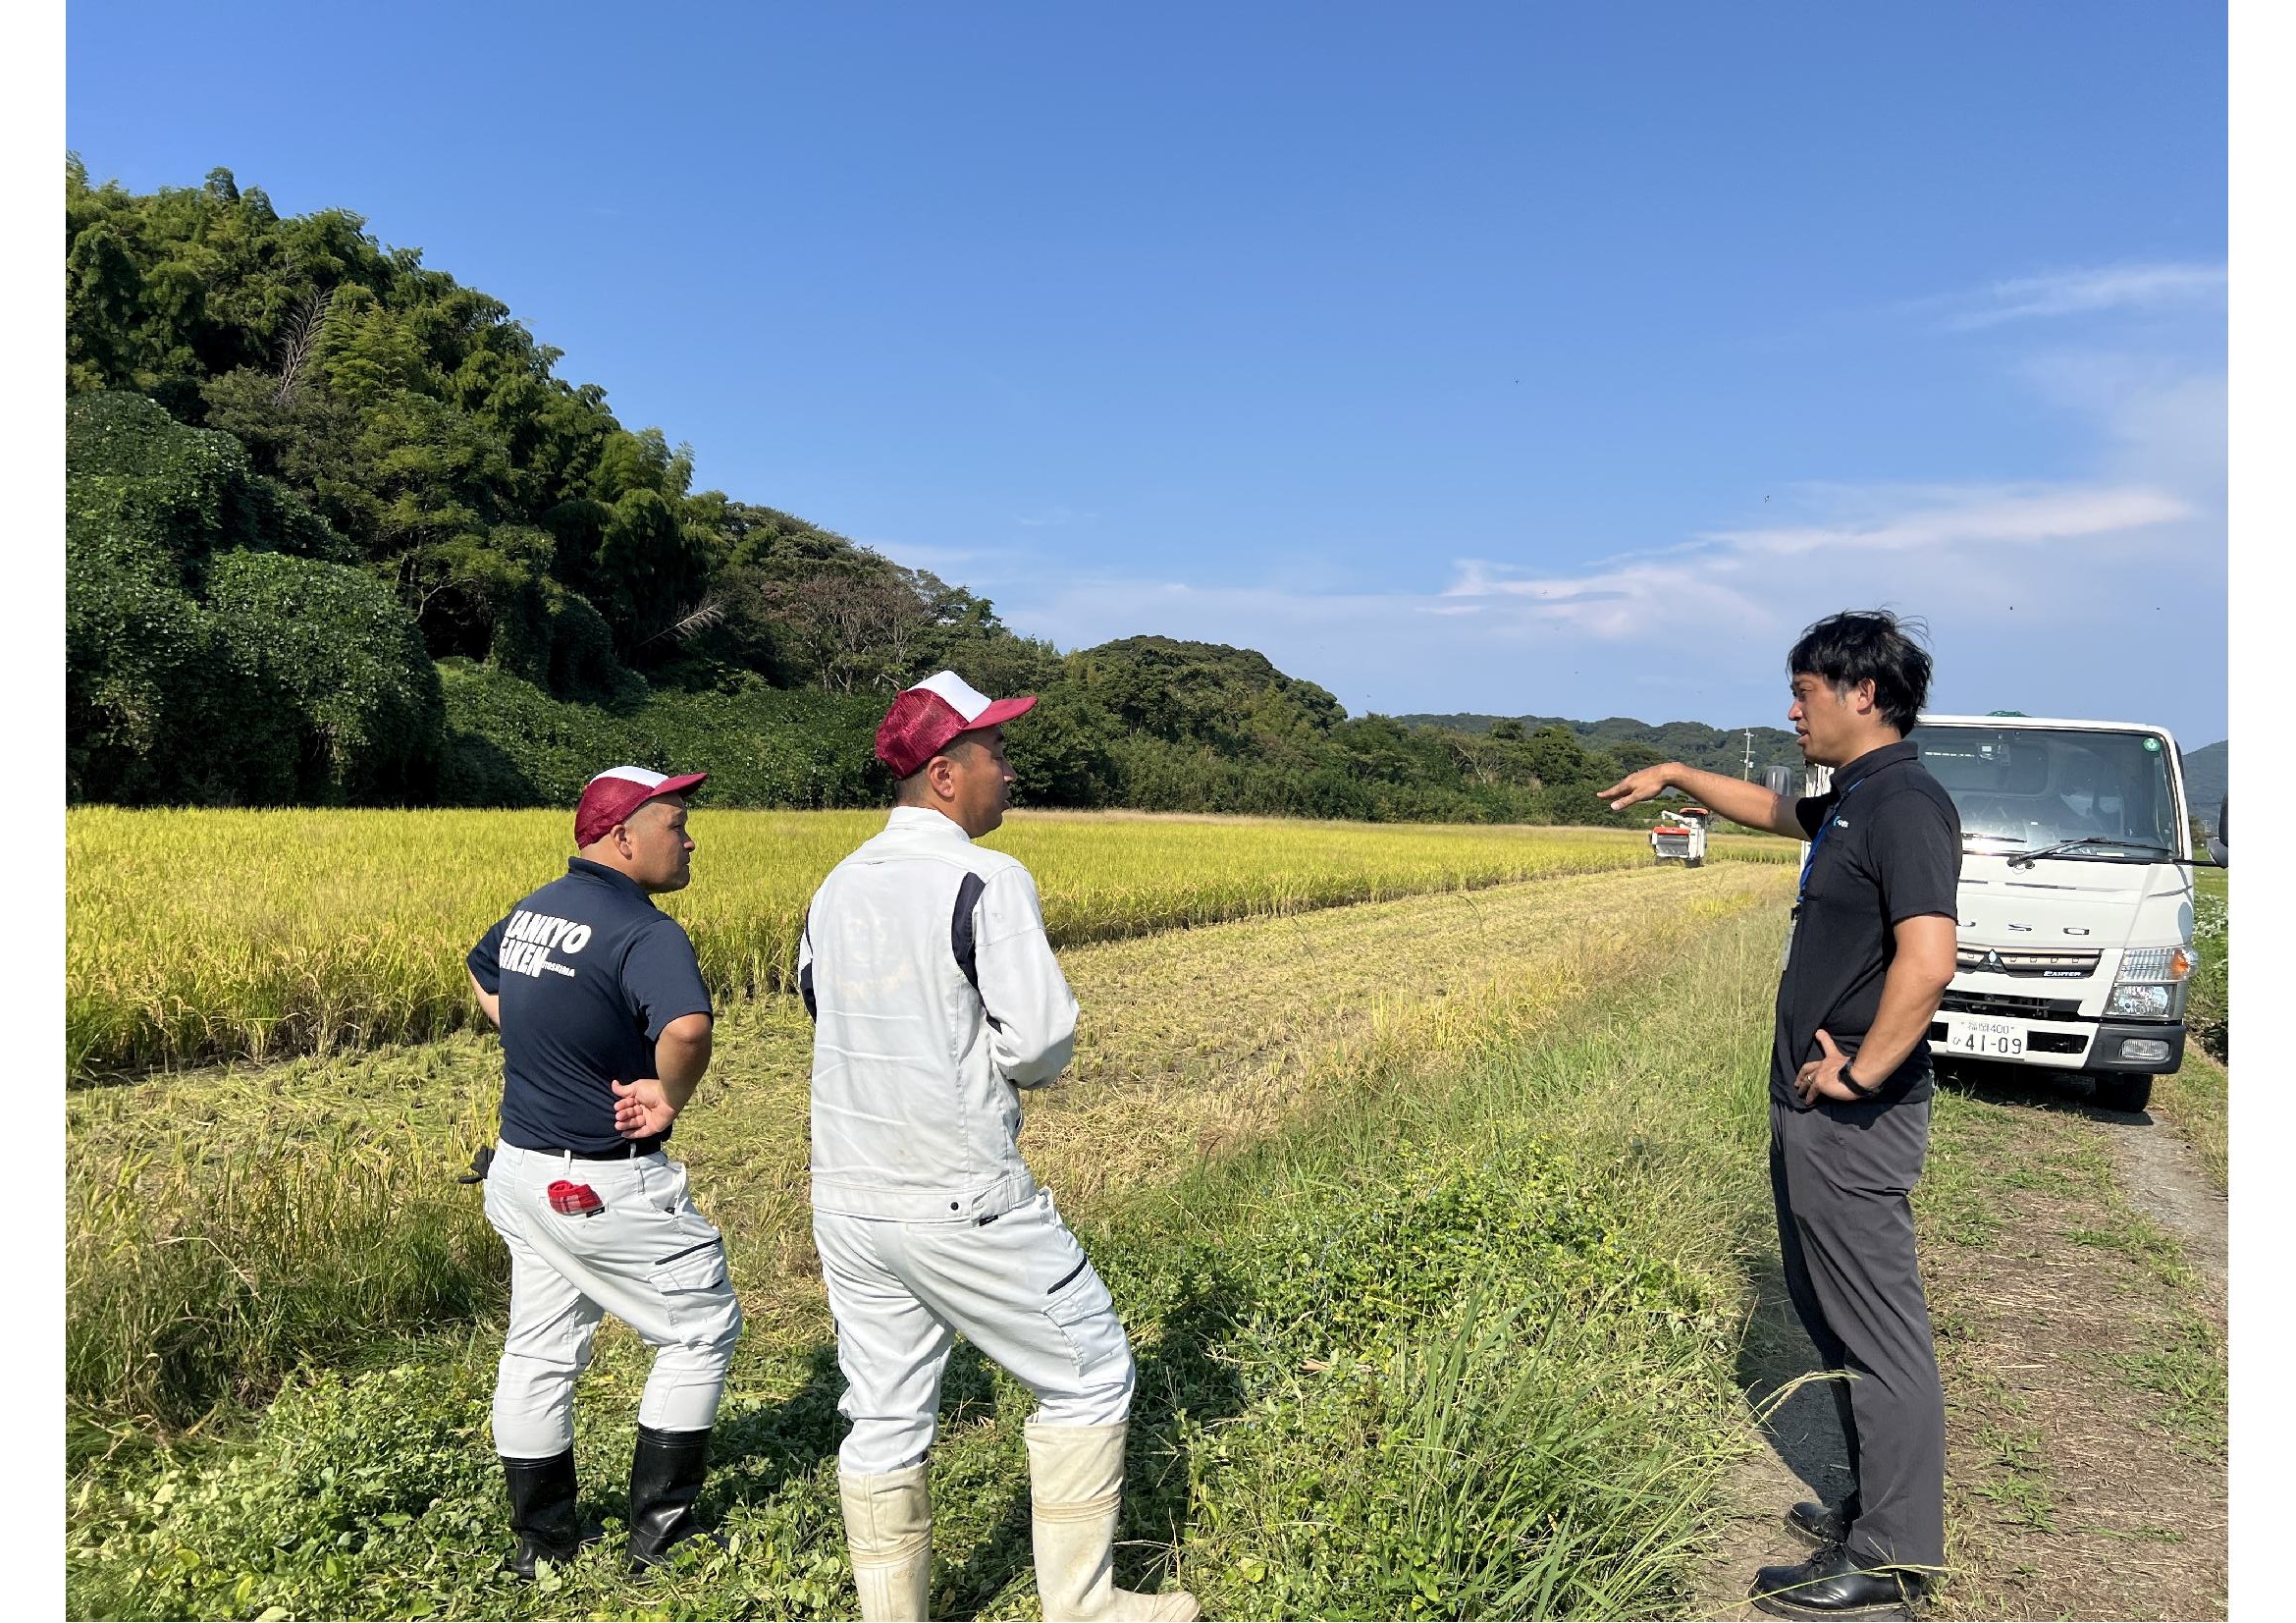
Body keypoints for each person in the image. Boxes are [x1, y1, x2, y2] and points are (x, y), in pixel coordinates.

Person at [798, 672, 1199, 1623]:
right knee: (1092, 1366)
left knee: (884, 1411)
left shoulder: (835, 884)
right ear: (944, 774)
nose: (1008, 772)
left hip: (847, 1197)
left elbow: (818, 1002)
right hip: (960, 1191)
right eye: (994, 754)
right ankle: (1083, 1605)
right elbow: (1042, 1041)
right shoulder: (984, 880)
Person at [1599, 611, 1959, 1620]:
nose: (1790, 708)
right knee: (1831, 1317)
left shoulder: (1904, 805)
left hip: (1850, 1119)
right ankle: (1869, 1508)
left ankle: (1887, 1560)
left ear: (1864, 696)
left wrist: (1860, 1074)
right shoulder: (1853, 800)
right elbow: (1768, 811)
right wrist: (1673, 773)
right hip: (1813, 1114)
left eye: (1803, 691)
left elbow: (1927, 958)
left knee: (1877, 1332)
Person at [465, 766, 743, 1577]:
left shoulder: (536, 908)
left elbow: (485, 972)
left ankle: (542, 1544)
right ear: (624, 836)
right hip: (599, 1179)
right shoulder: (644, 929)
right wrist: (668, 1095)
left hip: (518, 1169)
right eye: (677, 823)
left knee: (541, 1345)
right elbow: (687, 1028)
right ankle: (661, 1538)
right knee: (699, 1328)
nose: (690, 840)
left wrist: (538, 1038)